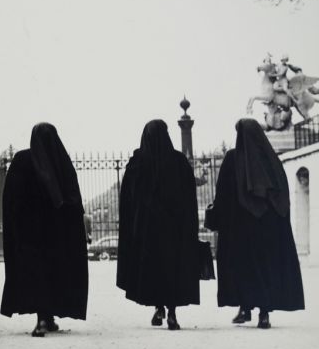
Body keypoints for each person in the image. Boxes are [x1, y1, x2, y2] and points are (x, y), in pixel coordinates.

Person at [206, 118, 304, 328]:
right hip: (267, 227)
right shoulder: (271, 159)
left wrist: (219, 217)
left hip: (240, 227)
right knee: (265, 267)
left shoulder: (233, 158)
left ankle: (245, 308)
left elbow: (223, 194)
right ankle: (264, 313)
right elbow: (282, 196)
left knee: (242, 267)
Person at [0, 123, 88, 337]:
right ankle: (48, 316)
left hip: (30, 232)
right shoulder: (61, 161)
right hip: (58, 232)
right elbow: (74, 201)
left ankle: (42, 318)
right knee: (54, 272)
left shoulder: (22, 160)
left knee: (36, 273)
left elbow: (11, 199)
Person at [116, 120, 200, 330]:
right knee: (172, 268)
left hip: (147, 230)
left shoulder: (138, 162)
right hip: (174, 228)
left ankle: (158, 307)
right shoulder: (179, 162)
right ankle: (171, 312)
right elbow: (190, 198)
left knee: (153, 269)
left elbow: (127, 198)